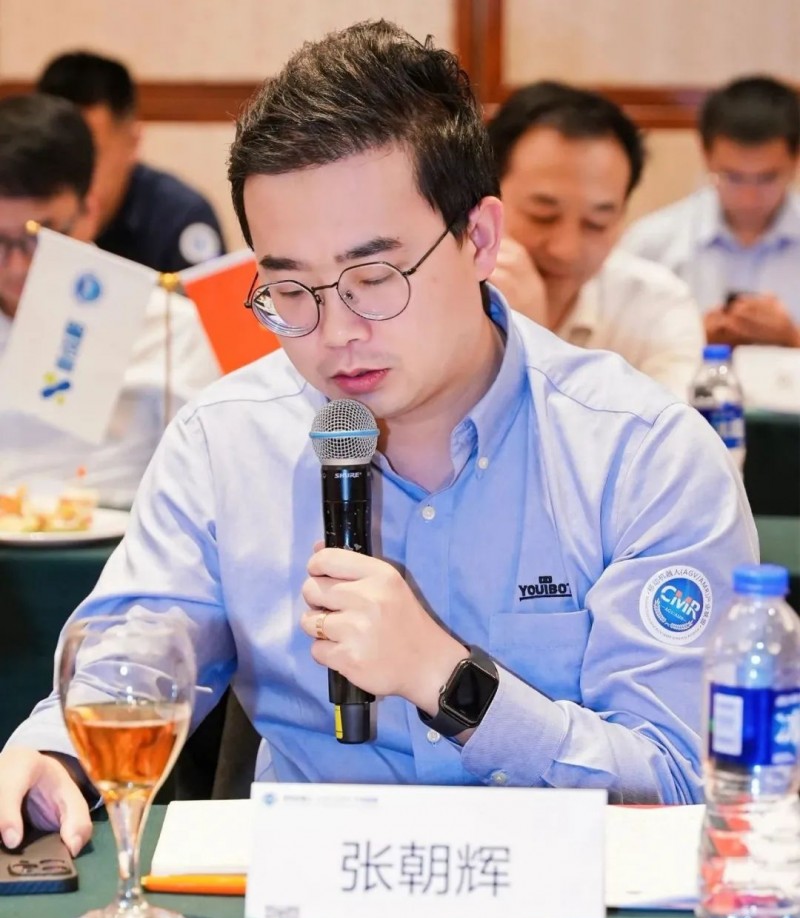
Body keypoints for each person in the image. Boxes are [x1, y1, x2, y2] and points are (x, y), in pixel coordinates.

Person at [0, 21, 756, 857]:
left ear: (480, 239)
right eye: (291, 290)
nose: (335, 334)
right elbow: (140, 642)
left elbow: (684, 783)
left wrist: (449, 680)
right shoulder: (225, 441)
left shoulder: (642, 453)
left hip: (569, 905)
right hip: (305, 897)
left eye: (373, 278)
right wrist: (54, 751)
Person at [0, 93, 219, 506]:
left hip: (120, 533)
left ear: (89, 212)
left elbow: (211, 482)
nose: (16, 266)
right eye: (0, 241)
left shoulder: (169, 325)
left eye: (38, 239)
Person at [487, 81, 704, 399]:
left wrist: (531, 342)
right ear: (484, 200)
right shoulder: (432, 295)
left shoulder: (655, 307)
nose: (566, 250)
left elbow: (673, 429)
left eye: (596, 223)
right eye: (542, 216)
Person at [623, 76, 800, 349]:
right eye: (732, 177)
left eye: (767, 178)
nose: (749, 197)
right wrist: (690, 339)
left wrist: (792, 338)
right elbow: (612, 349)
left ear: (795, 160)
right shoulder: (652, 242)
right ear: (706, 156)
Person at [37, 51, 226, 273]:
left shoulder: (180, 217)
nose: (72, 171)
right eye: (58, 154)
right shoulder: (20, 214)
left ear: (133, 142)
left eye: (89, 154)